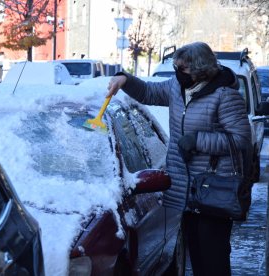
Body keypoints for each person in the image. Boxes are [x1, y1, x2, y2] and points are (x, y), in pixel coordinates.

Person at [106, 41, 252, 276]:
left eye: (182, 68)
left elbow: (241, 139)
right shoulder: (177, 87)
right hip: (187, 192)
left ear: (200, 69)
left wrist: (198, 140)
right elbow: (148, 92)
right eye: (176, 67)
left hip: (214, 191)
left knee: (213, 263)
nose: (177, 73)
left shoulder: (224, 96)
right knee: (195, 258)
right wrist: (125, 79)